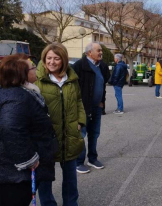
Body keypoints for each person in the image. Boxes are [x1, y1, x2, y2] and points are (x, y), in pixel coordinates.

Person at [0, 54, 57, 206]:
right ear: (22, 74)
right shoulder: (16, 97)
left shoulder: (16, 91)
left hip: (3, 164)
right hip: (6, 168)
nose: (37, 69)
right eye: (32, 68)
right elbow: (11, 129)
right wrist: (28, 159)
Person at [36, 43, 86, 206]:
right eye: (48, 58)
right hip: (46, 137)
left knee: (71, 176)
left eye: (56, 58)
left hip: (70, 134)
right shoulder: (37, 79)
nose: (52, 62)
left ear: (63, 60)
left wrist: (80, 121)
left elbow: (78, 100)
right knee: (45, 178)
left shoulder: (71, 78)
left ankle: (71, 203)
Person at [72, 42, 110, 173]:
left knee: (94, 134)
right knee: (81, 134)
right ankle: (79, 162)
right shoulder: (79, 66)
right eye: (98, 50)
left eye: (101, 50)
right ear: (89, 53)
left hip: (97, 107)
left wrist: (102, 102)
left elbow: (103, 85)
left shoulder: (102, 66)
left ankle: (92, 159)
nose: (101, 53)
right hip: (83, 107)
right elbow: (73, 88)